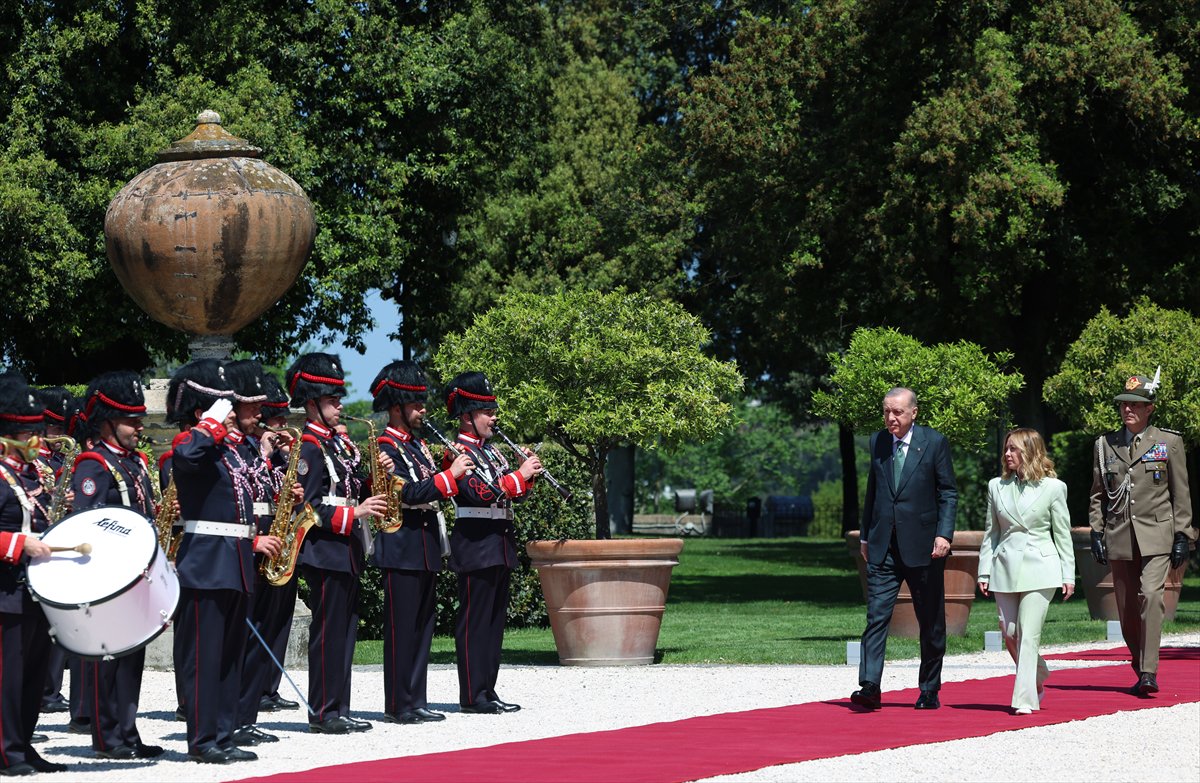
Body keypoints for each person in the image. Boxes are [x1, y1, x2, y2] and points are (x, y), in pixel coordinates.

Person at [169, 359, 278, 764]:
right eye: (223, 406)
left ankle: (224, 731)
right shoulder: (193, 442)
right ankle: (201, 740)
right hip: (205, 564)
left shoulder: (230, 452)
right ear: (203, 412)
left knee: (230, 656)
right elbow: (186, 456)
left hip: (235, 562)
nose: (233, 412)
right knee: (204, 657)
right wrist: (210, 424)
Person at [287, 353, 386, 734]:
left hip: (346, 548)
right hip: (325, 549)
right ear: (312, 403)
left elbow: (347, 490)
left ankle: (339, 707)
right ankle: (324, 712)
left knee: (344, 630)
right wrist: (356, 513)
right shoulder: (310, 447)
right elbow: (309, 508)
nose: (340, 405)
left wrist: (375, 481)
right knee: (328, 632)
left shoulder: (338, 444)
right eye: (332, 399)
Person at [370, 360, 472, 723]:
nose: (423, 409)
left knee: (423, 625)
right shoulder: (386, 447)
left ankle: (416, 698)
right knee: (402, 628)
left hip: (425, 541)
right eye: (415, 404)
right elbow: (409, 492)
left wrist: (452, 474)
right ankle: (398, 703)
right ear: (396, 407)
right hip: (402, 543)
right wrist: (450, 476)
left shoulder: (416, 446)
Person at [70, 372, 164, 760]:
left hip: (137, 576)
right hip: (108, 578)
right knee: (106, 663)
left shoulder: (136, 463)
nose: (139, 426)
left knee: (131, 660)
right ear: (108, 422)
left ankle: (127, 731)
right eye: (131, 420)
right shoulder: (93, 465)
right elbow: (87, 523)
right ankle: (107, 737)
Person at [1088, 369, 1194, 696]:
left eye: (1135, 404)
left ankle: (1149, 671)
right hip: (1120, 535)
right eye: (1123, 404)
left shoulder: (1168, 442)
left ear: (1150, 408)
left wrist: (1182, 535)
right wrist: (1096, 531)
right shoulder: (1105, 445)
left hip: (1157, 535)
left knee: (1150, 596)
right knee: (1127, 611)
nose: (1128, 409)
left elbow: (1181, 492)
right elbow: (1097, 494)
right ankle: (1139, 663)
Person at [852, 387, 957, 711]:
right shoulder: (878, 442)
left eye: (897, 412)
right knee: (876, 616)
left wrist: (944, 534)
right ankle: (869, 686)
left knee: (930, 620)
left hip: (924, 547)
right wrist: (867, 536)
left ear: (914, 412)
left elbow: (948, 493)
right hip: (884, 546)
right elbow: (874, 491)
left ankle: (929, 689)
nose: (890, 418)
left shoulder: (934, 443)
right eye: (886, 411)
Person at [443, 372, 542, 714]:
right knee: (474, 622)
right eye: (485, 410)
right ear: (466, 415)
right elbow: (481, 493)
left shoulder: (493, 454)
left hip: (499, 543)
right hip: (475, 544)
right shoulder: (456, 453)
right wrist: (520, 475)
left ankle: (488, 689)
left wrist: (522, 474)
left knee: (494, 623)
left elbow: (510, 495)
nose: (493, 416)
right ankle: (472, 695)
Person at [977, 428, 1075, 715]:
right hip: (1004, 567)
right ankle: (1039, 674)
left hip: (1041, 567)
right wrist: (984, 571)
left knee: (1029, 634)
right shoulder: (996, 486)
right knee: (1010, 632)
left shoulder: (1054, 488)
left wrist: (1067, 575)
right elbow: (990, 534)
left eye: (1014, 449)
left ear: (1030, 452)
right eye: (1006, 448)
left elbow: (1063, 535)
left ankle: (1024, 699)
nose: (1007, 454)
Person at [0, 377, 67, 775]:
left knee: (32, 674)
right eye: (28, 433)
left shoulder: (34, 474)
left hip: (38, 591)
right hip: (5, 591)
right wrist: (17, 545)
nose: (36, 441)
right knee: (7, 678)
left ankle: (23, 744)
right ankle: (6, 751)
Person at [225, 360, 294, 747]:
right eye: (253, 409)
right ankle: (233, 716)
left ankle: (246, 715)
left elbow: (263, 492)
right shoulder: (236, 450)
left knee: (260, 635)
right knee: (242, 639)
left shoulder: (253, 448)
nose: (261, 417)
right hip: (246, 549)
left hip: (269, 546)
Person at [241, 372, 303, 718]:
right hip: (255, 539)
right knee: (254, 622)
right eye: (275, 419)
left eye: (283, 418)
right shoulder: (251, 450)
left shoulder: (280, 457)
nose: (281, 426)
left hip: (277, 541)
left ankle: (268, 686)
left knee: (277, 619)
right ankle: (249, 695)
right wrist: (265, 454)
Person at [34, 387, 73, 718]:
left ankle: (52, 688)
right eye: (50, 428)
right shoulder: (35, 461)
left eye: (59, 428)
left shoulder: (62, 459)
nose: (55, 434)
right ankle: (44, 690)